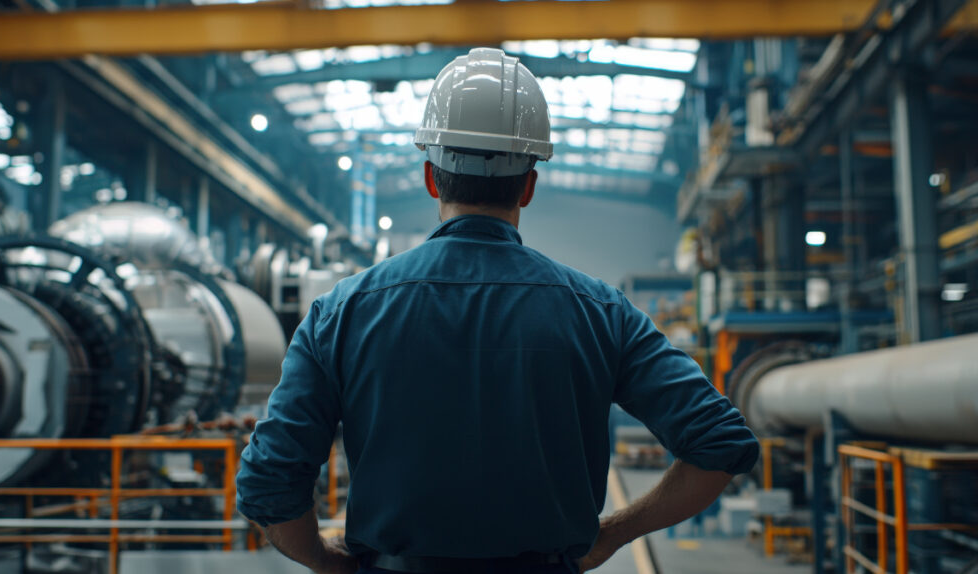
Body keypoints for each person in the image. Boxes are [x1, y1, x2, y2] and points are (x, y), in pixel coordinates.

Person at [236, 48, 759, 574]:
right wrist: (611, 535)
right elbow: (721, 444)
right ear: (528, 186)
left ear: (430, 178)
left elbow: (268, 480)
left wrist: (324, 559)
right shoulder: (602, 312)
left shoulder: (341, 312)